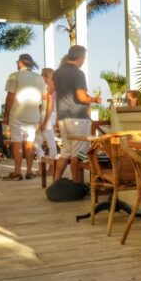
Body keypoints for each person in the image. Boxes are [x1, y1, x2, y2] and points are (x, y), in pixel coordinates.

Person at [53, 45, 101, 181]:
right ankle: (76, 183)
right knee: (78, 154)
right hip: (77, 118)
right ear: (81, 58)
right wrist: (94, 99)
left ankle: (55, 183)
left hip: (63, 117)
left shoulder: (57, 73)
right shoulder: (78, 73)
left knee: (65, 152)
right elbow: (81, 97)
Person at [3, 54, 47, 181]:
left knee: (16, 142)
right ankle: (28, 171)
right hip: (33, 114)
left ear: (21, 62)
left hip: (17, 113)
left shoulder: (14, 75)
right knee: (29, 143)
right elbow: (44, 97)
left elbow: (10, 97)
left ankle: (17, 172)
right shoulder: (39, 78)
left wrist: (6, 114)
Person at [34, 67, 58, 161]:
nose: (40, 77)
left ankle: (52, 167)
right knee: (36, 142)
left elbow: (50, 107)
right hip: (47, 116)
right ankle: (42, 165)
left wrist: (45, 122)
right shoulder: (49, 88)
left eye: (41, 75)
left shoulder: (51, 89)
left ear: (46, 76)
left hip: (48, 116)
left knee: (50, 143)